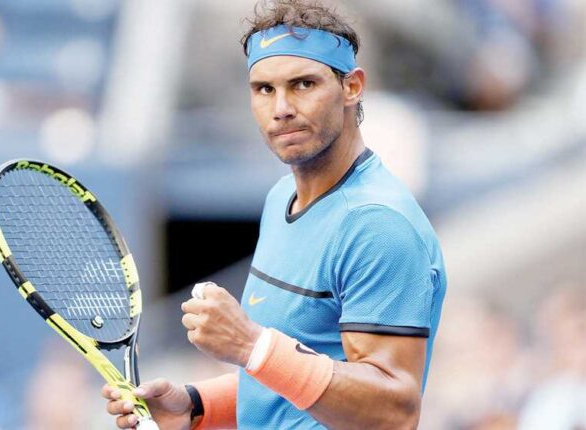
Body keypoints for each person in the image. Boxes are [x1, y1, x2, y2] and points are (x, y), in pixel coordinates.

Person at [103, 0, 446, 428]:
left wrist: (252, 345)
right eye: (264, 89)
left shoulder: (377, 225)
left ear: (352, 87)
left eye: (303, 84)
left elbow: (392, 412)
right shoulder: (282, 196)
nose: (281, 107)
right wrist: (196, 405)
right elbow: (297, 374)